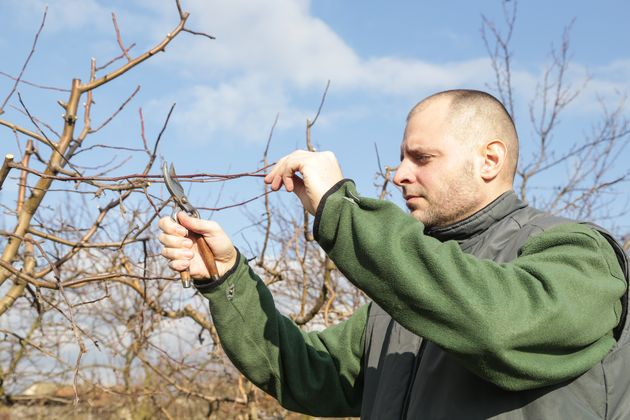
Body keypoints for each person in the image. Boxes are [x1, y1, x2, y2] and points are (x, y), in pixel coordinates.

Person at [158, 89, 629, 419]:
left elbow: (499, 325)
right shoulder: (404, 295)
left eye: (421, 159)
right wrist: (226, 278)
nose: (400, 174)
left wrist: (339, 209)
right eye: (401, 159)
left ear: (490, 160)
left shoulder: (578, 254)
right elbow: (303, 373)